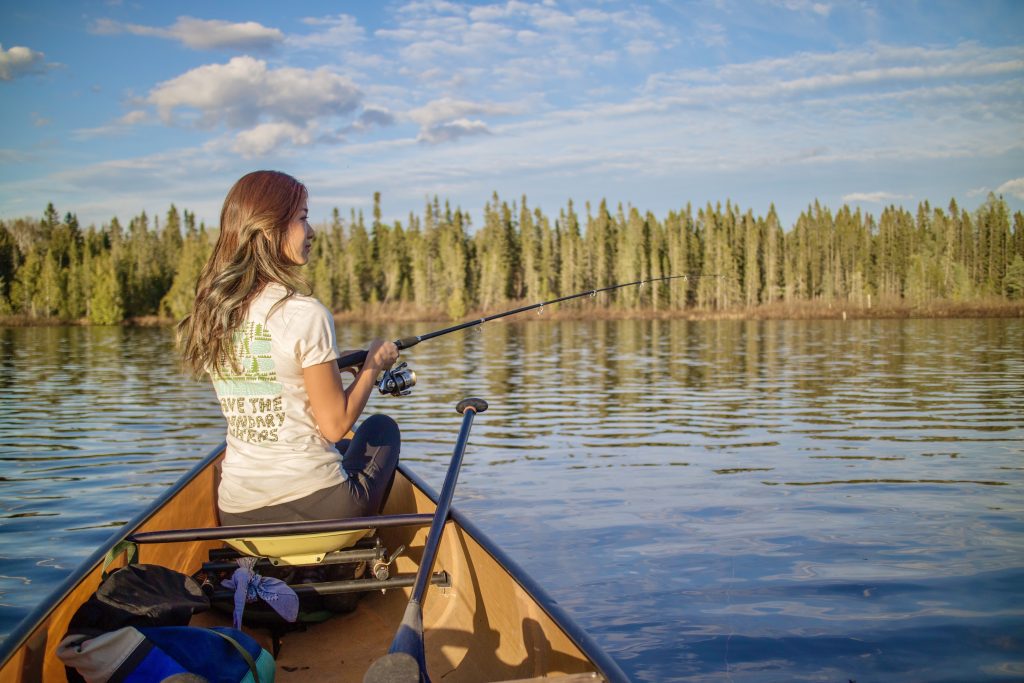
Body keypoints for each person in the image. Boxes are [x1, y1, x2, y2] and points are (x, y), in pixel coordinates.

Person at [177, 170, 400, 528]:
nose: (311, 231)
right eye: (302, 218)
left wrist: (332, 368)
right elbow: (334, 425)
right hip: (319, 509)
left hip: (236, 515)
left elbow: (267, 377)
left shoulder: (215, 315)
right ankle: (354, 545)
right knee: (380, 429)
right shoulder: (304, 313)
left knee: (342, 451)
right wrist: (373, 365)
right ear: (269, 229)